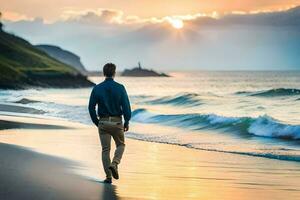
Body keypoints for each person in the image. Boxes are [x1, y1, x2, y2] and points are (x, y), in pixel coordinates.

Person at [88, 63, 131, 184]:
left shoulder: (97, 88)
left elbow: (91, 107)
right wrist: (127, 120)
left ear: (104, 73)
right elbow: (126, 106)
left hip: (103, 122)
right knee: (121, 145)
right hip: (117, 123)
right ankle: (115, 163)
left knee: (105, 150)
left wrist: (97, 122)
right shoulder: (120, 87)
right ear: (114, 73)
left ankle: (108, 177)